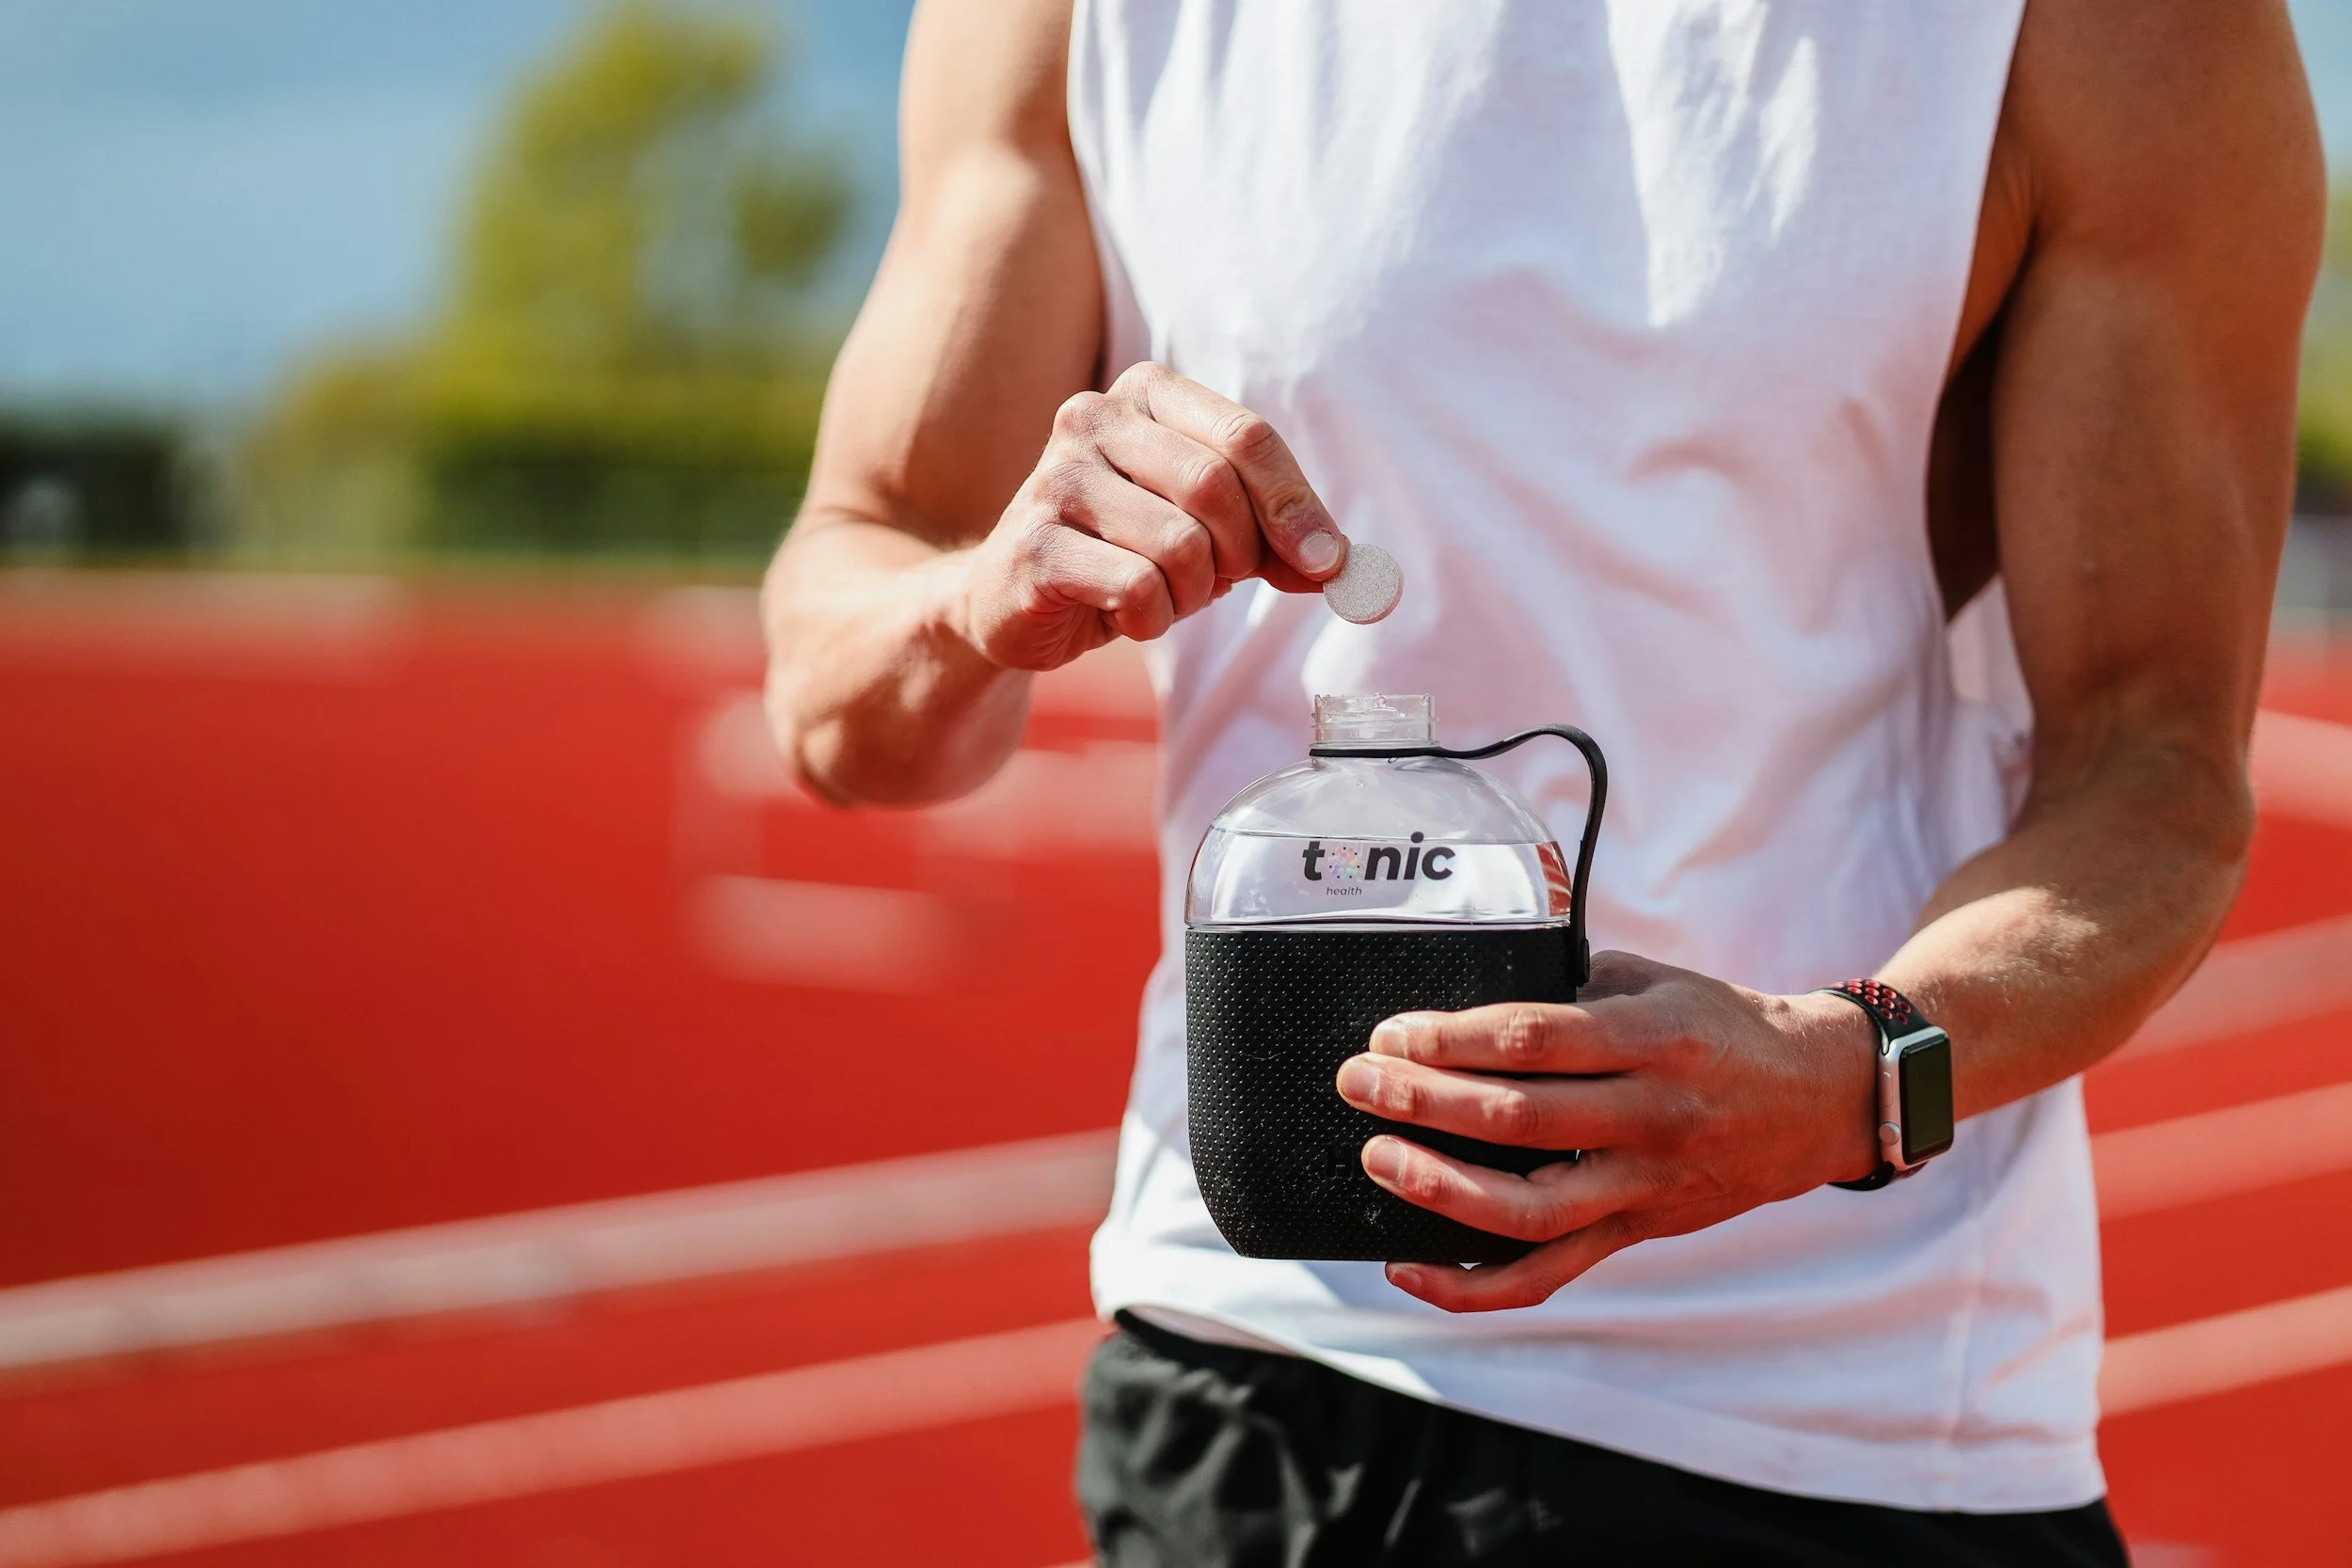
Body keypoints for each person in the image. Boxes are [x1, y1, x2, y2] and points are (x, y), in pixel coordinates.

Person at [761, 0, 2320, 1560]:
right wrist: (975, 601)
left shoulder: (2124, 32)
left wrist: (1847, 1074)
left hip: (1838, 1427)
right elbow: (845, 700)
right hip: (1259, 1372)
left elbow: (2157, 767)